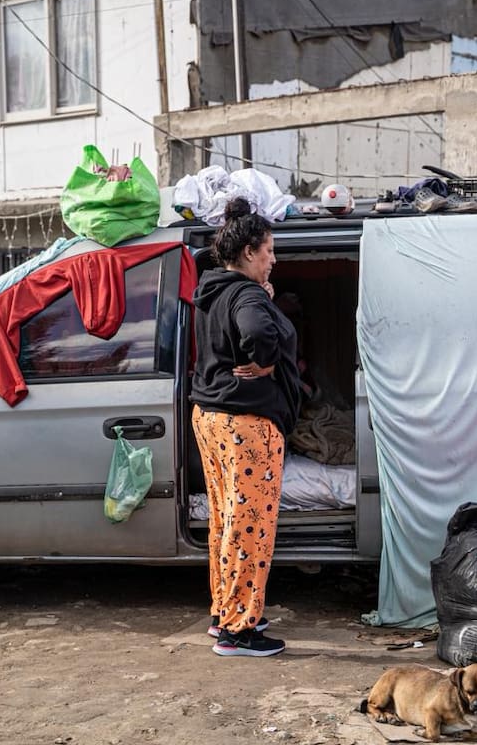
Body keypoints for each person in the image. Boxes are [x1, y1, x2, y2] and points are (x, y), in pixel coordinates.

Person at [190, 197, 301, 657]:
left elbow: (246, 323)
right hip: (246, 426)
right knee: (250, 526)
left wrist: (265, 305)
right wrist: (267, 362)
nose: (274, 260)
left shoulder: (215, 289)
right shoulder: (248, 295)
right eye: (270, 251)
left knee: (226, 521)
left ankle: (225, 614)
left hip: (212, 418)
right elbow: (255, 332)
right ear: (251, 251)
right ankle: (239, 632)